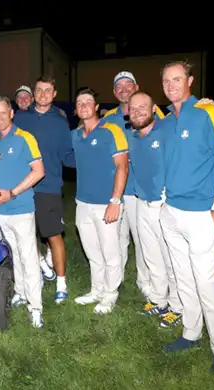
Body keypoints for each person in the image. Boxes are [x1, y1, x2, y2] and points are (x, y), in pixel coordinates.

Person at [158, 60, 214, 374]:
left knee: (206, 283)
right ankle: (191, 333)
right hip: (172, 213)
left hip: (202, 215)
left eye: (177, 79)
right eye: (166, 80)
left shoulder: (209, 114)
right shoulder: (166, 120)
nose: (171, 85)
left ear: (190, 80)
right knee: (183, 279)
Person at [0, 96, 45, 328]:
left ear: (11, 113)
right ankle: (20, 291)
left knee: (28, 256)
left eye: (2, 113)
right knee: (13, 255)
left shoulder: (24, 138)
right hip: (0, 210)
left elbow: (39, 171)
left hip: (20, 208)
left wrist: (13, 192)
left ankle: (36, 306)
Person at [100, 71, 164, 298]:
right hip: (117, 190)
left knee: (143, 240)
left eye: (128, 85)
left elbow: (175, 126)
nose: (124, 89)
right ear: (114, 92)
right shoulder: (107, 119)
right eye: (119, 86)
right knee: (118, 239)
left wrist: (204, 107)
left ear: (136, 87)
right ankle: (115, 282)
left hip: (142, 191)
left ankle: (145, 281)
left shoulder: (154, 115)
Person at [14, 76, 77, 303]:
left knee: (52, 234)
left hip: (49, 185)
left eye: (47, 90)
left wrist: (89, 157)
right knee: (25, 234)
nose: (43, 94)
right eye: (39, 90)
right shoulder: (20, 118)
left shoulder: (60, 121)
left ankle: (62, 283)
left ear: (54, 93)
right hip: (21, 186)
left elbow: (68, 156)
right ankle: (38, 269)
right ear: (33, 93)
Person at [126, 91, 182, 328]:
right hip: (141, 202)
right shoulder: (132, 137)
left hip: (164, 203)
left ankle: (178, 306)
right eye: (133, 108)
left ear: (154, 109)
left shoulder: (167, 129)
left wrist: (205, 104)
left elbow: (187, 114)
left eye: (143, 107)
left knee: (171, 258)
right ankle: (159, 300)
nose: (138, 112)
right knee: (151, 256)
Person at [71, 88, 128, 314]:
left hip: (107, 202)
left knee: (110, 252)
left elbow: (122, 166)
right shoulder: (75, 135)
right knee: (92, 251)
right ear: (76, 109)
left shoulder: (111, 130)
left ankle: (110, 294)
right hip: (82, 203)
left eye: (88, 102)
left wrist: (115, 200)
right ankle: (96, 290)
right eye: (79, 102)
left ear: (96, 107)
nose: (84, 105)